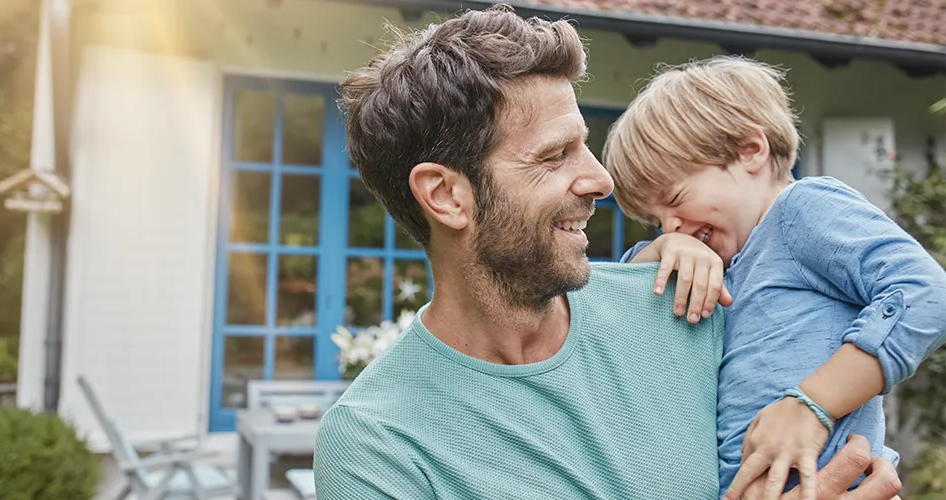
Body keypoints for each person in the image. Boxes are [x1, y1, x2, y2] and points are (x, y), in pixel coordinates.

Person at [314, 6, 903, 499]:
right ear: (446, 196)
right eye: (553, 156)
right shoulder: (377, 445)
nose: (600, 180)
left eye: (586, 147)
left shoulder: (686, 305)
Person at [604, 56, 946, 500]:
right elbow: (613, 295)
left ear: (750, 151)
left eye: (675, 197)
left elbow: (925, 292)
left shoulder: (800, 210)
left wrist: (812, 406)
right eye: (655, 220)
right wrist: (661, 250)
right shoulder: (718, 263)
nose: (669, 225)